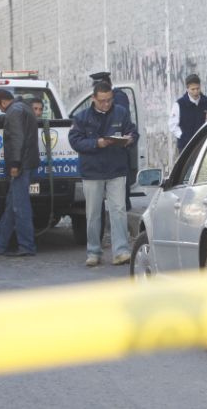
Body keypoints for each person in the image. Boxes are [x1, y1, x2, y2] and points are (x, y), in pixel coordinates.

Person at [68, 81, 139, 267]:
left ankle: (121, 251)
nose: (106, 104)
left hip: (116, 169)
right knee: (93, 214)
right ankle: (93, 252)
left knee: (119, 211)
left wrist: (129, 139)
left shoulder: (121, 113)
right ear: (94, 99)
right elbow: (75, 141)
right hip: (92, 172)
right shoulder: (82, 117)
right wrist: (95, 143)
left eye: (109, 100)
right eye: (102, 101)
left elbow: (132, 131)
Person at [0, 89, 40, 256]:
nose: (0, 110)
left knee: (20, 206)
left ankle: (27, 246)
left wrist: (15, 163)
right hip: (28, 162)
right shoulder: (20, 107)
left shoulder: (14, 111)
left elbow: (17, 137)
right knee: (11, 205)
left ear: (2, 102)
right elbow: (8, 120)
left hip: (21, 165)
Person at [87, 71, 136, 211]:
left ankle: (125, 205)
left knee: (120, 180)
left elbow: (120, 120)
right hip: (104, 146)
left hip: (116, 145)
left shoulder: (118, 96)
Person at [169, 74, 207, 153]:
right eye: (193, 89)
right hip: (185, 147)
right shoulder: (179, 104)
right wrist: (183, 137)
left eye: (197, 88)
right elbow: (172, 125)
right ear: (187, 89)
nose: (196, 92)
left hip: (203, 145)